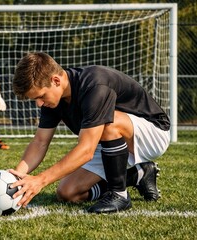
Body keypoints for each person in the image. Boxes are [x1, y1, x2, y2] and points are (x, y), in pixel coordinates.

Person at [9, 52, 170, 213]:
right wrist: (15, 179)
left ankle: (119, 195)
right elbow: (40, 142)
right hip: (109, 141)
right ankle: (139, 174)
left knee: (109, 122)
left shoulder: (95, 85)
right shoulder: (52, 100)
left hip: (152, 133)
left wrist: (40, 180)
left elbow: (86, 150)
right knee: (67, 193)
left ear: (56, 81)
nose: (39, 103)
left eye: (41, 96)